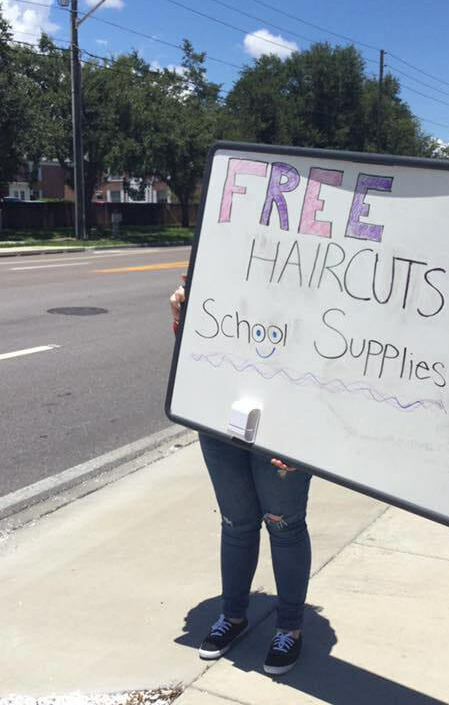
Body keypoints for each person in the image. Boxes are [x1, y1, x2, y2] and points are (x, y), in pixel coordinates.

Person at [170, 278, 312, 675]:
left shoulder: (311, 264)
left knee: (283, 525)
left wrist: (316, 435)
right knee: (236, 523)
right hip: (219, 410)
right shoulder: (221, 244)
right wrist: (182, 315)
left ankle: (289, 626)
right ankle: (232, 615)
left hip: (285, 416)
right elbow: (194, 344)